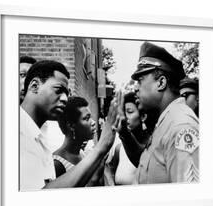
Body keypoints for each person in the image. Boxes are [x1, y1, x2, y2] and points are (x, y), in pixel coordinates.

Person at [20, 60, 119, 191]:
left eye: (67, 93)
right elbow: (37, 197)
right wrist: (101, 146)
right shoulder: (14, 132)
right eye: (58, 90)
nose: (65, 98)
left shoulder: (44, 132)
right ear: (34, 86)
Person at [121, 42, 199, 184]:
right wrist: (123, 132)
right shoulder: (167, 120)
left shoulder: (181, 125)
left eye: (140, 80)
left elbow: (188, 198)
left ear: (161, 83)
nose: (136, 88)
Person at [53, 96, 105, 186]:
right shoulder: (57, 164)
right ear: (71, 126)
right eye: (86, 118)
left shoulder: (82, 153)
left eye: (91, 117)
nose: (93, 122)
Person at [104, 92, 150, 185]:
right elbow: (110, 171)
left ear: (143, 116)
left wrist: (124, 132)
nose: (124, 117)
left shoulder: (152, 145)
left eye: (129, 112)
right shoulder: (119, 149)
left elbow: (142, 161)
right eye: (123, 112)